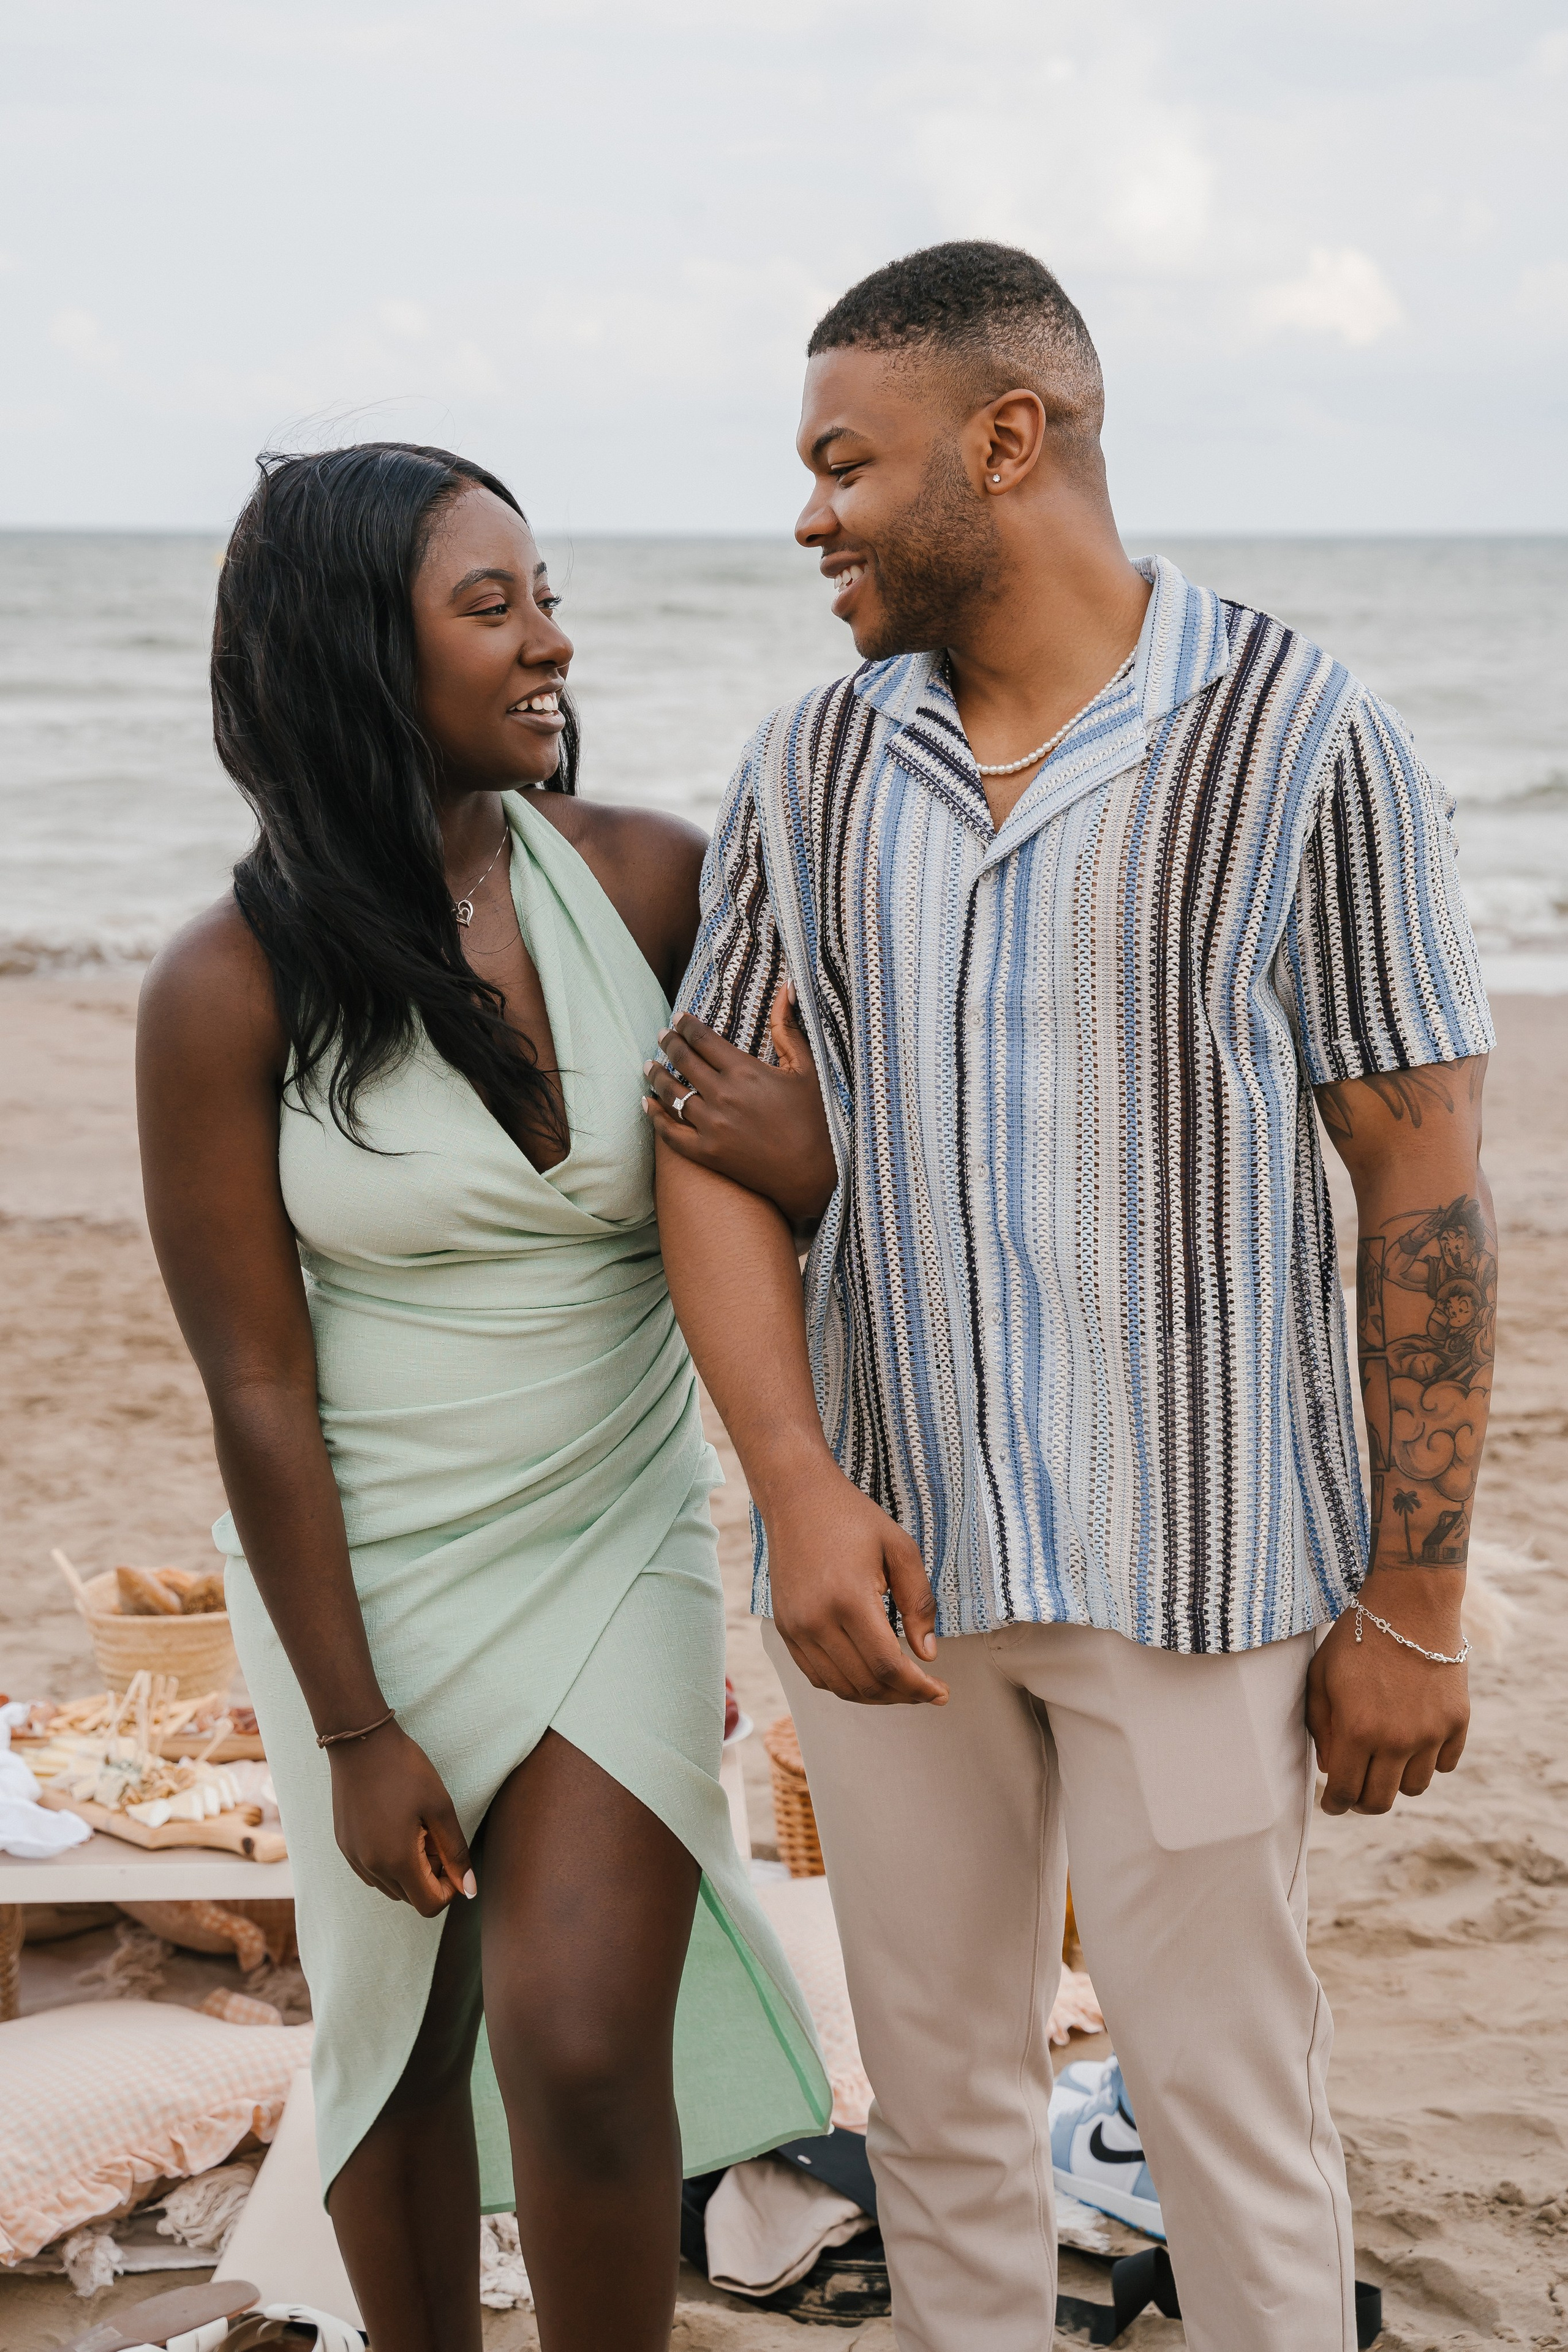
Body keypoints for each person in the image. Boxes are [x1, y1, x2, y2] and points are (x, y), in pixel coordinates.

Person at [645, 244, 1496, 2351]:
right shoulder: (810, 774)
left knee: (1225, 2107)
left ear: (1008, 442)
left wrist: (1413, 1608)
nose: (810, 514)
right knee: (937, 2110)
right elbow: (713, 1146)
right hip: (894, 1577)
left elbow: (1426, 1186)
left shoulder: (1304, 740)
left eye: (845, 462)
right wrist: (794, 1489)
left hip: (1205, 1572)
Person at [135, 443, 837, 2352]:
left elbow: (807, 1189)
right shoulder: (226, 989)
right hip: (357, 1567)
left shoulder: (655, 884)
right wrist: (353, 1726)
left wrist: (815, 1159)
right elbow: (257, 1386)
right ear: (364, 652)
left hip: (614, 1531)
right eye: (493, 604)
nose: (553, 639)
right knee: (401, 2036)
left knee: (584, 2035)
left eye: (545, 591)